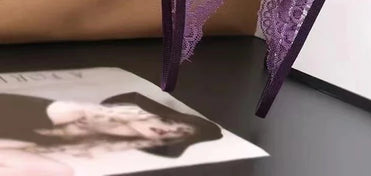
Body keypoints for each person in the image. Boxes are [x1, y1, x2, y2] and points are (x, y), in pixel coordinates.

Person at [0, 92, 223, 175]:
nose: (171, 130)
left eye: (178, 134)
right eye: (169, 122)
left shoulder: (66, 153)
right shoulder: (64, 111)